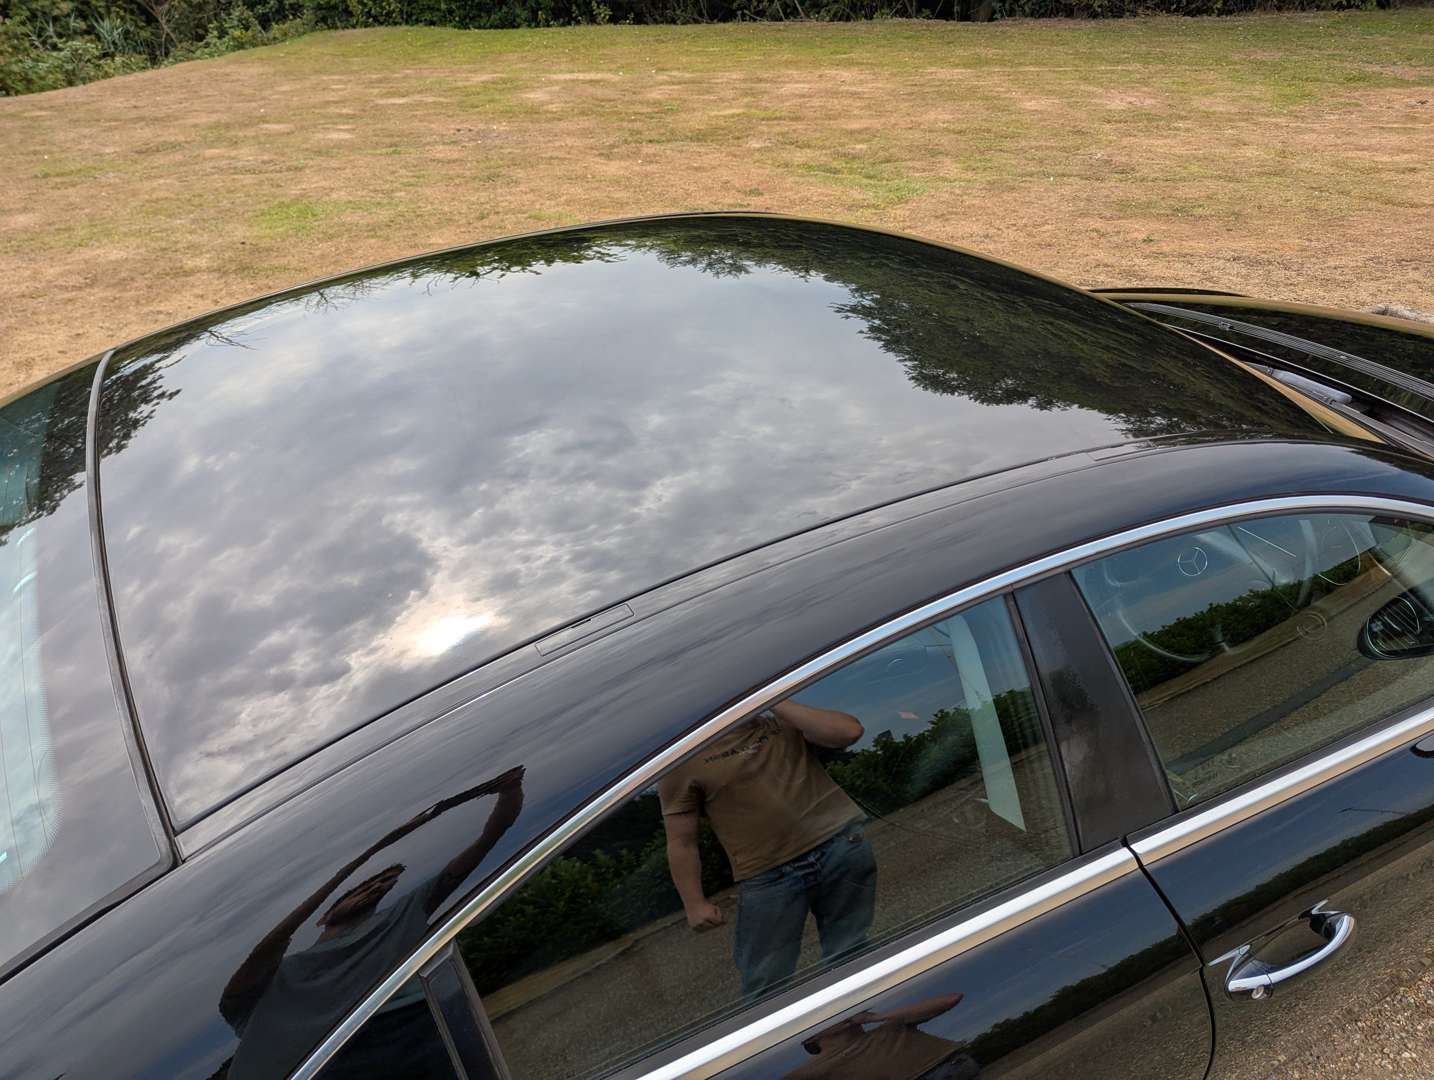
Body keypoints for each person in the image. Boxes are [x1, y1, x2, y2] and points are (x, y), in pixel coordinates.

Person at [219, 766, 525, 1079]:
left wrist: (510, 790)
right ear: (322, 916)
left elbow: (487, 841)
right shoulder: (275, 979)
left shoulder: (401, 915)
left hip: (410, 1045)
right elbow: (264, 953)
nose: (375, 887)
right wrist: (353, 867)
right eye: (365, 885)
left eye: (383, 884)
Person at [659, 699, 875, 998]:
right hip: (768, 875)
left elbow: (848, 732)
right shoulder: (681, 762)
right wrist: (694, 903)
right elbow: (681, 841)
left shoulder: (783, 719)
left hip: (840, 847)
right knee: (766, 983)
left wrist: (772, 699)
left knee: (849, 954)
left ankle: (852, 1020)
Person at [784, 993, 979, 1080]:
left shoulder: (890, 1026)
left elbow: (951, 999)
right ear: (809, 1038)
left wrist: (877, 1018)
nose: (839, 1016)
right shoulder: (809, 1070)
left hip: (952, 1067)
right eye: (826, 1017)